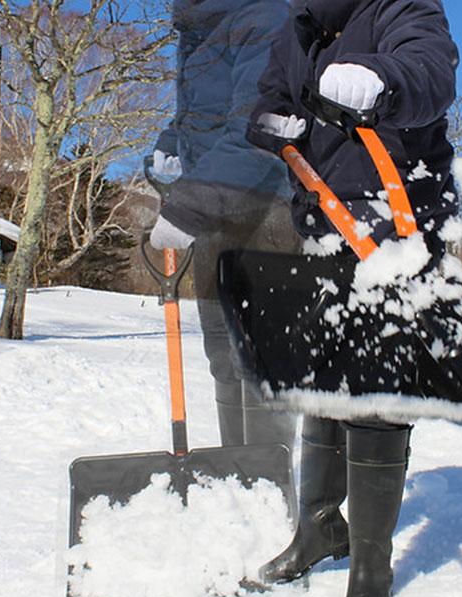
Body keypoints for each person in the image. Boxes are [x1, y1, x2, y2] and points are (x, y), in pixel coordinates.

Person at [248, 0, 459, 597]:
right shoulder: (299, 30)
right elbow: (270, 94)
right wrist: (268, 122)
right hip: (323, 223)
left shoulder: (401, 6)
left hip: (397, 224)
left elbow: (431, 71)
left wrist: (381, 81)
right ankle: (319, 528)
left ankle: (371, 570)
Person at [147, 0, 301, 449]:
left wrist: (187, 208)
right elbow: (204, 114)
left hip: (265, 209)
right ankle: (238, 473)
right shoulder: (200, 29)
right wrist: (172, 141)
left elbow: (260, 134)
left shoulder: (264, 17)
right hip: (215, 211)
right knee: (222, 353)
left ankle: (270, 487)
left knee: (259, 358)